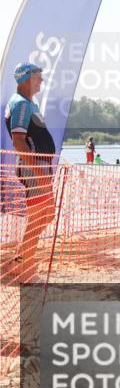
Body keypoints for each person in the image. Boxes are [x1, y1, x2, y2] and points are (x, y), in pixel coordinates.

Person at [2, 63, 55, 283]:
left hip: (38, 166)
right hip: (33, 168)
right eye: (38, 76)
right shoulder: (22, 105)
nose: (41, 80)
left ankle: (21, 259)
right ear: (26, 78)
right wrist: (38, 172)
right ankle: (26, 269)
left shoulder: (27, 103)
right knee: (37, 218)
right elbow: (18, 142)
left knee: (47, 214)